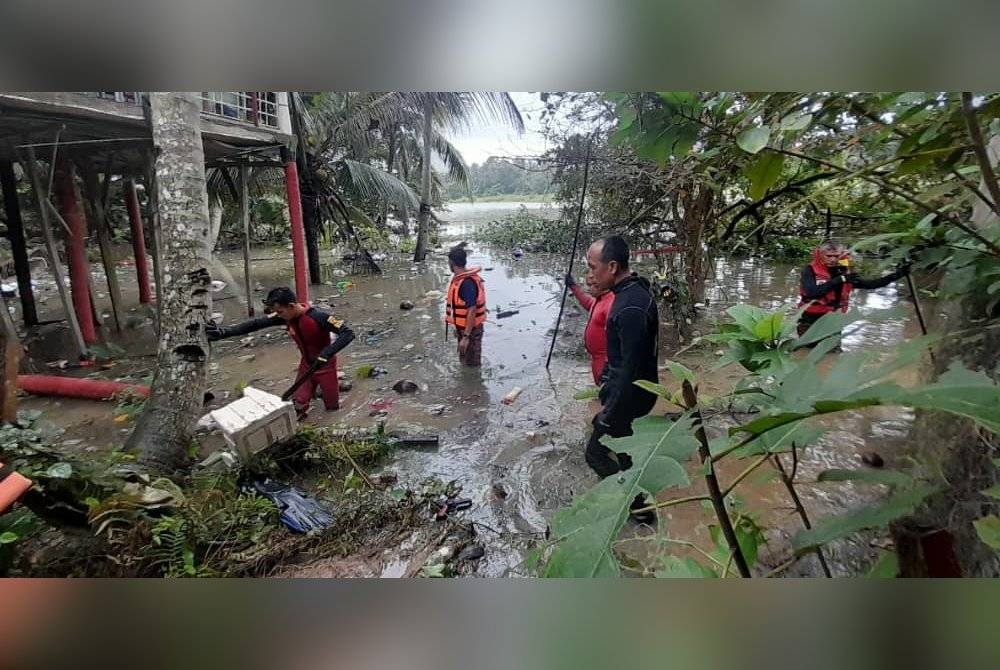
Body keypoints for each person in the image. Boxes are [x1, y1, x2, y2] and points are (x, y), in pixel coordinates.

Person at [583, 236, 660, 523]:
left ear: (612, 266)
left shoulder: (629, 307)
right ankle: (634, 492)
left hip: (630, 396)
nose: (590, 274)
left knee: (595, 454)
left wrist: (610, 411)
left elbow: (630, 368)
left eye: (593, 267)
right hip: (629, 391)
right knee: (624, 450)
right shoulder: (632, 292)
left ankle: (636, 506)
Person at [207, 287, 355, 419]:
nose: (278, 315)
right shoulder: (285, 316)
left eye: (280, 312)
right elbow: (256, 324)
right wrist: (223, 332)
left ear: (291, 306)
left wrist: (326, 354)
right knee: (297, 406)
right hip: (306, 367)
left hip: (325, 367)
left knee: (332, 409)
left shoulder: (320, 317)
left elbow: (348, 333)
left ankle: (327, 393)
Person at [797, 241, 909, 337]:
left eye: (836, 256)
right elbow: (811, 292)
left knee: (832, 354)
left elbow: (871, 284)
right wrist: (839, 280)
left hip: (834, 320)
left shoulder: (844, 273)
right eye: (828, 256)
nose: (832, 259)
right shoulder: (809, 270)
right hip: (810, 319)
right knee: (805, 352)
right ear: (821, 255)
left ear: (841, 256)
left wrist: (898, 274)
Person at [565, 272, 613, 386]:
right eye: (588, 286)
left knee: (607, 395)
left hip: (606, 361)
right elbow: (587, 302)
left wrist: (610, 366)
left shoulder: (611, 302)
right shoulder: (599, 300)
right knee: (599, 393)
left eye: (593, 286)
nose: (589, 289)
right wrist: (573, 286)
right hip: (597, 359)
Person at [445, 246, 487, 367]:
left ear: (451, 263)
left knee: (473, 364)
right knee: (465, 360)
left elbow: (472, 309)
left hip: (470, 330)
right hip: (464, 328)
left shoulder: (467, 283)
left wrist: (466, 337)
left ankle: (474, 384)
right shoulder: (460, 280)